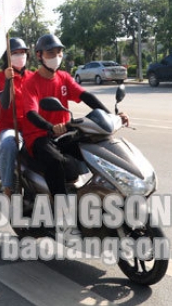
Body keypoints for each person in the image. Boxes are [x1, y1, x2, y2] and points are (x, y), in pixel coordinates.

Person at [22, 33, 129, 244]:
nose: (56, 56)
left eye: (59, 52)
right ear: (39, 56)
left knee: (97, 148)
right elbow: (31, 113)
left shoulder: (63, 77)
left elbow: (85, 96)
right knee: (57, 162)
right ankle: (63, 219)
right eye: (51, 52)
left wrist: (110, 115)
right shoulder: (31, 82)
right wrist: (50, 127)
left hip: (65, 133)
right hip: (40, 136)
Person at [0, 38, 32, 198]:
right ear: (7, 58)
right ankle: (7, 189)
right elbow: (5, 104)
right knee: (9, 144)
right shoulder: (1, 78)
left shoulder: (33, 76)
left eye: (22, 52)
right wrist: (9, 81)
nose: (19, 56)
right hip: (11, 127)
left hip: (32, 126)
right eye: (15, 53)